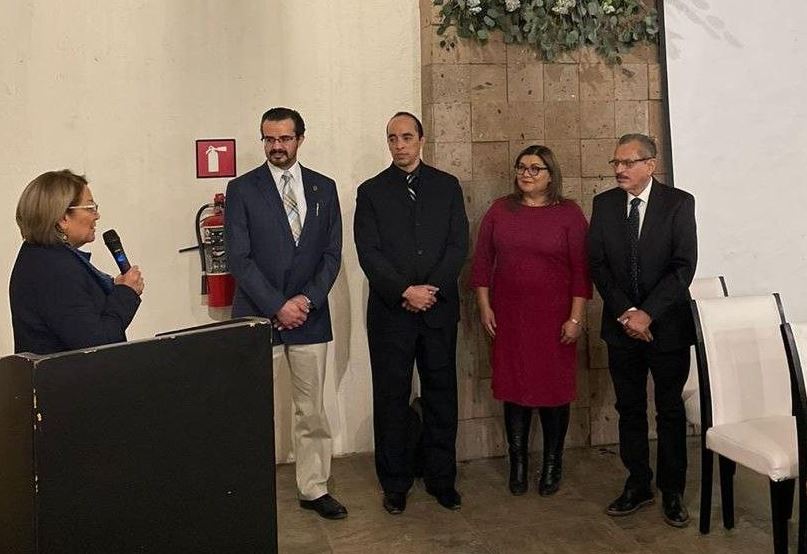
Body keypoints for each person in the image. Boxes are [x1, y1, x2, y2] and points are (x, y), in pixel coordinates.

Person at [224, 107, 346, 520]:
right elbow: (239, 259)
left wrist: (304, 301)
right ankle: (247, 488)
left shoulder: (324, 188)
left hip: (310, 318)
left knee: (311, 411)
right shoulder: (242, 189)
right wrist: (277, 305)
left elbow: (331, 255)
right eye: (269, 139)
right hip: (258, 317)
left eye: (284, 138)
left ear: (300, 139)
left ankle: (314, 488)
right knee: (253, 409)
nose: (276, 146)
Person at [354, 112, 468, 515]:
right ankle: (395, 483)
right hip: (392, 313)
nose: (399, 145)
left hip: (438, 311)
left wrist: (429, 290)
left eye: (406, 137)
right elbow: (369, 252)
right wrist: (405, 291)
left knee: (441, 395)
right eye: (392, 138)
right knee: (391, 398)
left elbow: (457, 245)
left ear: (421, 139)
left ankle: (442, 479)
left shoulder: (447, 186)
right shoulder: (371, 192)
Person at [588, 133, 697, 527]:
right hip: (622, 327)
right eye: (615, 163)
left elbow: (683, 266)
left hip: (667, 327)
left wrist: (648, 314)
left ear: (650, 165)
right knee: (629, 408)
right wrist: (628, 313)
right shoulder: (604, 205)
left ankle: (672, 491)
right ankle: (638, 483)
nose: (619, 170)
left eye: (628, 162)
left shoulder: (678, 203)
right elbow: (598, 264)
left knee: (669, 410)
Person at [470, 145, 591, 496]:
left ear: (551, 175)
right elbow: (481, 263)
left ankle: (552, 463)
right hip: (510, 318)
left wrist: (576, 318)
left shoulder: (569, 214)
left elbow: (582, 271)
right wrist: (484, 306)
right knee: (514, 390)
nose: (526, 173)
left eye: (536, 168)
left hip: (555, 320)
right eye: (522, 167)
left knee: (554, 391)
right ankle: (518, 463)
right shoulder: (499, 210)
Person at [10, 170, 144, 355]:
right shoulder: (55, 269)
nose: (97, 215)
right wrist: (126, 294)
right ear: (63, 218)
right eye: (90, 208)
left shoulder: (40, 257)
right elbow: (95, 346)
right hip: (68, 374)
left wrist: (114, 289)